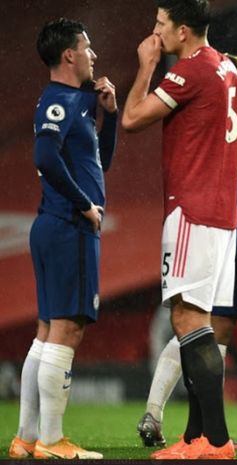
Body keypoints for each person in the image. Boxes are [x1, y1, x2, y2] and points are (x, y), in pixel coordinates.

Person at [121, 0, 237, 459]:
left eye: (160, 24)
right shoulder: (227, 68)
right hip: (219, 210)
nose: (155, 32)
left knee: (187, 320)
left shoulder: (188, 70)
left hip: (192, 208)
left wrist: (146, 66)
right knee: (199, 324)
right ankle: (195, 436)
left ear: (184, 30)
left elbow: (132, 118)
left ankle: (215, 440)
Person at [8, 18, 117, 461]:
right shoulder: (60, 100)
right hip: (68, 226)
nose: (94, 55)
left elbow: (100, 162)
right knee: (68, 329)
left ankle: (26, 438)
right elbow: (44, 156)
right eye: (87, 47)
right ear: (69, 55)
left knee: (47, 331)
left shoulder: (76, 101)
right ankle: (52, 442)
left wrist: (108, 115)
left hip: (52, 225)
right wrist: (84, 206)